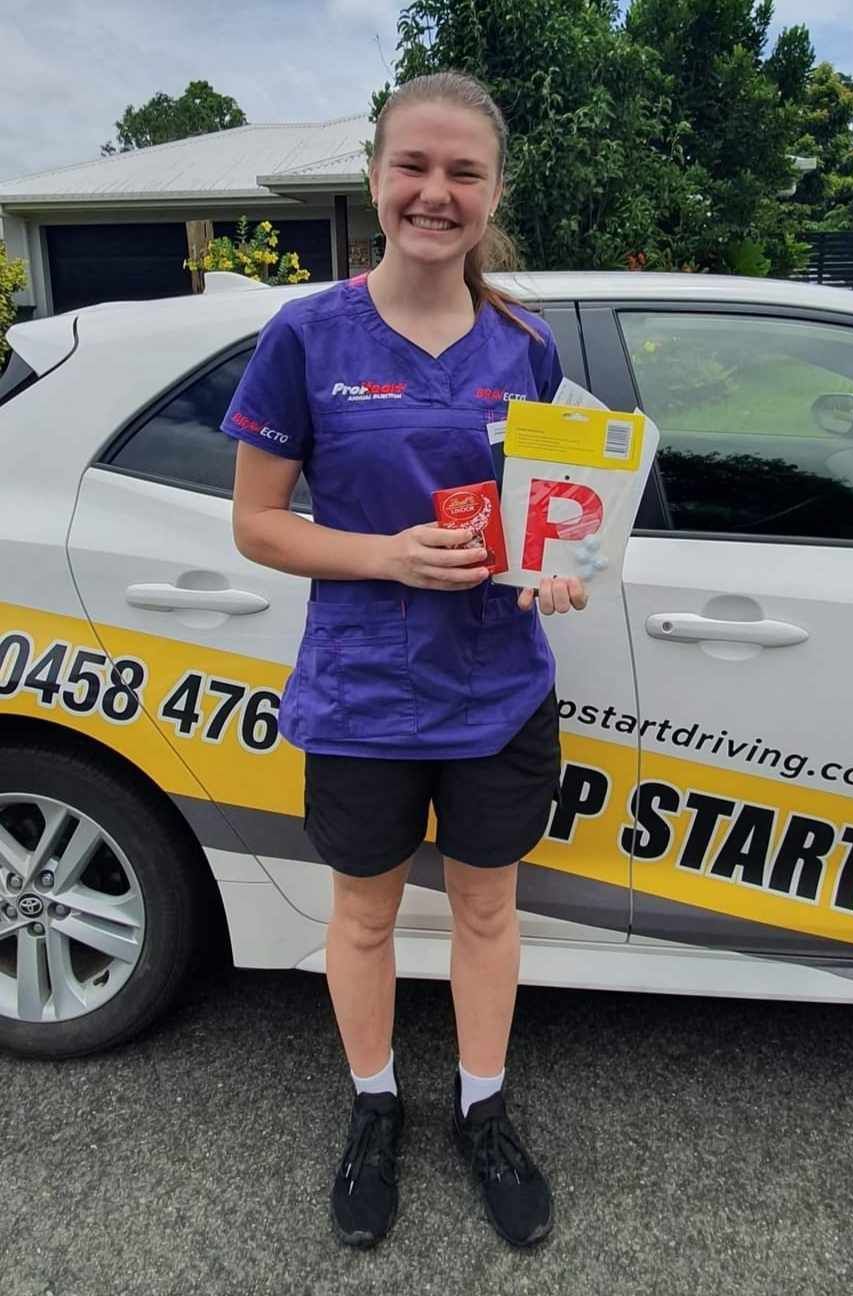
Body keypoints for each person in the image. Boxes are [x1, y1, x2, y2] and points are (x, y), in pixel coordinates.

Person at [221, 70, 587, 1251]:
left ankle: (482, 1107)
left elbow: (552, 513)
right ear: (378, 181)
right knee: (366, 920)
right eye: (413, 168)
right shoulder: (306, 335)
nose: (436, 193)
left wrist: (555, 564)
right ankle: (373, 1103)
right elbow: (257, 525)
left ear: (492, 192)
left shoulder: (525, 346)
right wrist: (385, 554)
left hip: (497, 691)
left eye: (463, 173)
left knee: (487, 910)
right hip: (366, 694)